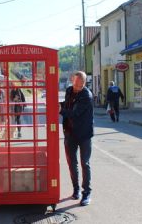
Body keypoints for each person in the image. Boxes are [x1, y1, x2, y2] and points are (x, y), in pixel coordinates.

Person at [59, 71, 94, 206]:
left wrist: (59, 110)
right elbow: (67, 104)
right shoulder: (69, 90)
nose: (79, 87)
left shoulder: (86, 95)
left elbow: (75, 113)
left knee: (85, 163)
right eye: (77, 84)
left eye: (82, 84)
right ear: (72, 80)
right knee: (71, 163)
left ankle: (86, 193)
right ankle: (76, 190)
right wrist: (60, 105)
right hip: (70, 133)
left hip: (84, 134)